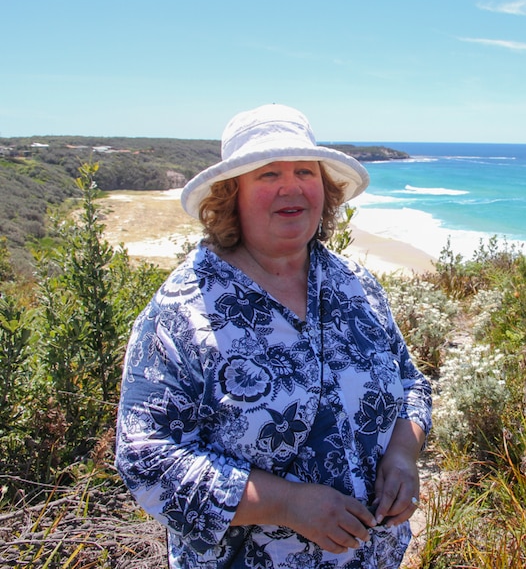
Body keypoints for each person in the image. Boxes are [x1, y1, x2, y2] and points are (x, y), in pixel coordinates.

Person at [115, 104, 432, 568]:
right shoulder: (183, 309)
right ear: (231, 196)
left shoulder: (353, 283)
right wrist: (286, 503)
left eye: (305, 171)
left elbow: (410, 383)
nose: (291, 187)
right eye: (267, 174)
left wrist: (404, 454)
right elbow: (148, 460)